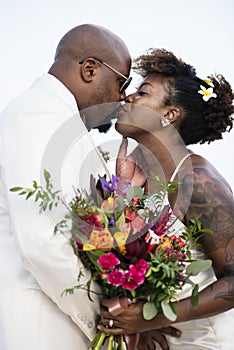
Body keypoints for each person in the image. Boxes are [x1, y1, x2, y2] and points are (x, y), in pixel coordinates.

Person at [0, 25, 179, 350]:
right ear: (90, 69)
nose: (124, 96)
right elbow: (43, 245)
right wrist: (112, 322)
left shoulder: (59, 121)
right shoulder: (37, 114)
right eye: (122, 82)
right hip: (42, 328)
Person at [98, 48, 234, 350]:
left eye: (142, 93)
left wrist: (151, 318)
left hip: (205, 341)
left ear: (169, 115)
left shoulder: (197, 180)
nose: (128, 98)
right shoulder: (133, 177)